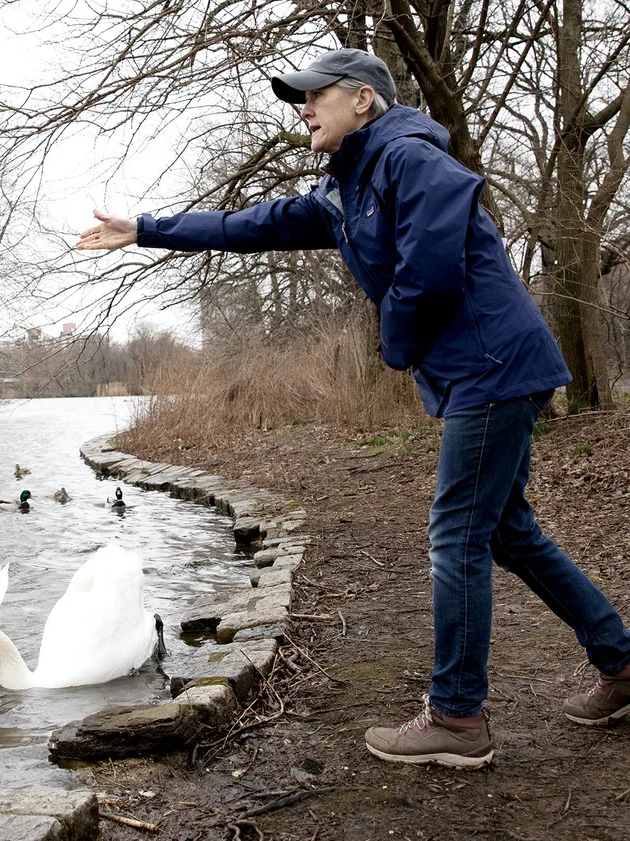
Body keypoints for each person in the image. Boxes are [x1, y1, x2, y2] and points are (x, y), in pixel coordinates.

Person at [76, 47, 630, 769]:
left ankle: (459, 717)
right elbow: (253, 226)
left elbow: (430, 268)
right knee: (506, 531)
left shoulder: (409, 156)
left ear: (362, 100)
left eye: (314, 96)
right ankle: (619, 662)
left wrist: (393, 343)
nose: (302, 109)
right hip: (487, 370)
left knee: (456, 533)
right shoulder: (349, 188)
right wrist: (146, 229)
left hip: (492, 367)